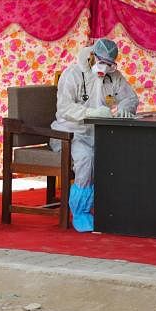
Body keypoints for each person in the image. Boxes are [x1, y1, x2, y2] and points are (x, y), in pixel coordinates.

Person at [51, 38, 139, 232]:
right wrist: (90, 113)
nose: (104, 68)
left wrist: (125, 108)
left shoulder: (112, 76)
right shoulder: (72, 74)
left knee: (121, 155)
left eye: (109, 64)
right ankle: (80, 211)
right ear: (92, 56)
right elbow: (64, 108)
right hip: (70, 133)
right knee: (86, 159)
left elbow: (131, 98)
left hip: (99, 133)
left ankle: (110, 208)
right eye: (102, 62)